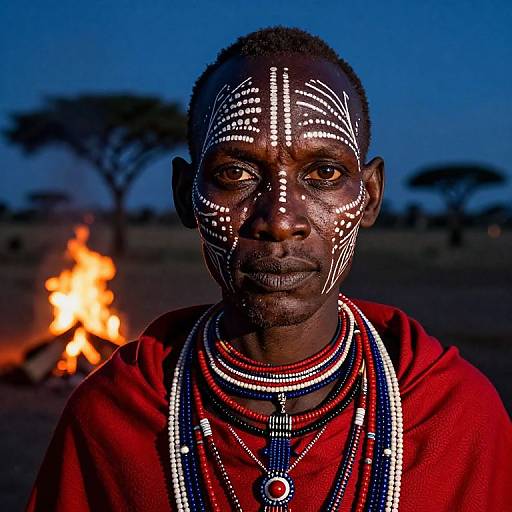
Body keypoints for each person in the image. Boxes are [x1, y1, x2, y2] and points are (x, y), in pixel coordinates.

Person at [27, 27, 511, 512]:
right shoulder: (113, 417)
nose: (280, 220)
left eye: (323, 173)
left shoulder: (455, 417)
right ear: (184, 195)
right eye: (235, 173)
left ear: (370, 195)